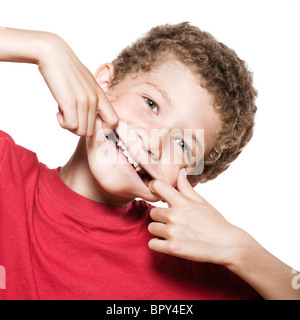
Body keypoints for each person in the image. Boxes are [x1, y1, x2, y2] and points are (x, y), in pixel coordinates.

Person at [0, 23, 298, 300]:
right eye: (151, 104)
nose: (154, 142)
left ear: (190, 178)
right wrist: (44, 47)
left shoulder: (188, 264)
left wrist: (239, 249)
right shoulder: (5, 170)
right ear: (104, 83)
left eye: (182, 144)